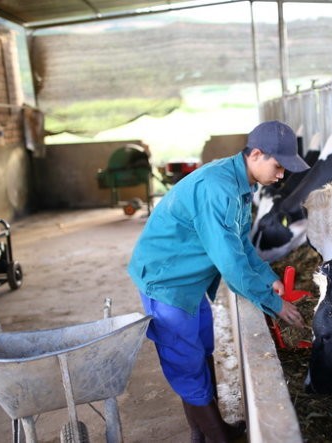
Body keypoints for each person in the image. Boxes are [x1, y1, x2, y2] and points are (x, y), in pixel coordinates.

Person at [128, 120, 308, 443]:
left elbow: (240, 245)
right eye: (279, 167)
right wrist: (274, 304)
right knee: (185, 360)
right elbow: (233, 269)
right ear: (256, 154)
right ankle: (218, 437)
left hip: (190, 280)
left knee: (201, 350)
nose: (281, 176)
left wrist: (269, 279)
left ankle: (204, 431)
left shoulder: (240, 184)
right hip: (166, 279)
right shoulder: (219, 188)